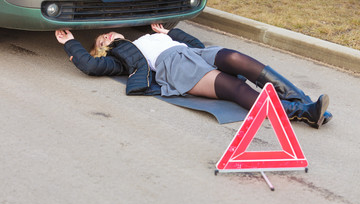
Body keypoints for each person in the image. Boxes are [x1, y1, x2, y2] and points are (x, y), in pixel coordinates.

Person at [55, 24, 332, 128]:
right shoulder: (121, 57)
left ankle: (302, 99)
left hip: (194, 54)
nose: (103, 37)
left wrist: (169, 33)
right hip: (176, 70)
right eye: (101, 42)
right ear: (105, 50)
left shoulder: (146, 37)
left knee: (238, 59)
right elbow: (91, 66)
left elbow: (193, 45)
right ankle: (300, 112)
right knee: (233, 88)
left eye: (104, 34)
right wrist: (70, 43)